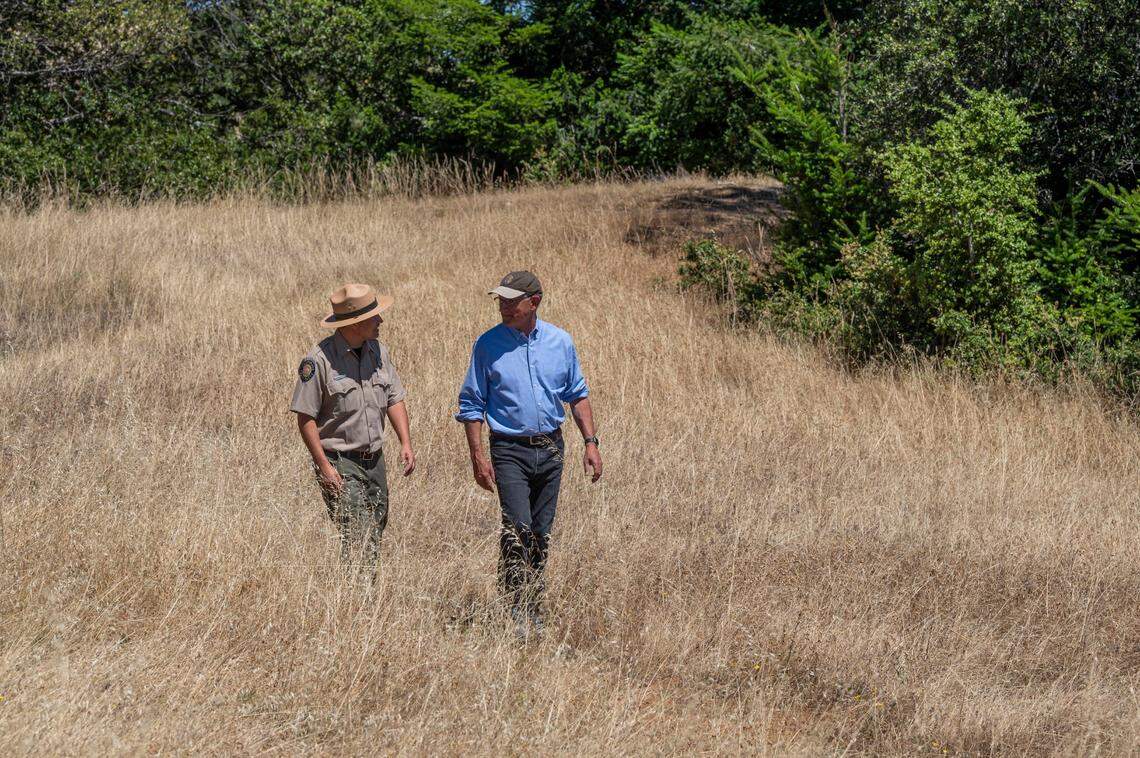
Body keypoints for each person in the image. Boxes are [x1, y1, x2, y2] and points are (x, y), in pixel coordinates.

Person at [456, 270, 602, 637]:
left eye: (511, 300)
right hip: (508, 448)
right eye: (500, 300)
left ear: (533, 302)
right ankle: (513, 608)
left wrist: (591, 443)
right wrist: (478, 456)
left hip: (552, 447)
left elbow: (577, 394)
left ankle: (532, 603)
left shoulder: (560, 342)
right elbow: (472, 403)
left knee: (541, 531)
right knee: (517, 527)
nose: (503, 307)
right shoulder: (487, 345)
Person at [290, 283, 415, 577]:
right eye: (375, 317)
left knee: (376, 525)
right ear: (356, 323)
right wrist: (324, 467)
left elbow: (394, 398)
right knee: (358, 531)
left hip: (375, 459)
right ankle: (359, 599)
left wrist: (405, 443)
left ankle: (360, 592)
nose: (381, 321)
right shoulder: (318, 361)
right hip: (340, 461)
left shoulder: (379, 351)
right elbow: (305, 418)